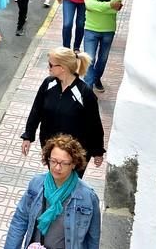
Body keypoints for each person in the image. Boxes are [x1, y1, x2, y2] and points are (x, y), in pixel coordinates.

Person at [6, 134, 101, 249]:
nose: (57, 168)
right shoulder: (36, 184)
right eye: (54, 161)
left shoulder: (88, 196)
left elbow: (93, 238)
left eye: (64, 163)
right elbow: (19, 220)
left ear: (74, 164)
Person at [21, 47, 105, 176]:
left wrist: (98, 151)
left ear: (63, 67)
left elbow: (94, 124)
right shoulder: (48, 84)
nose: (48, 67)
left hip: (74, 155)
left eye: (51, 64)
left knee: (69, 189)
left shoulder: (84, 93)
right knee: (55, 182)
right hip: (52, 152)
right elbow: (36, 110)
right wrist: (28, 136)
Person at [83, 0, 123, 92]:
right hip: (90, 28)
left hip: (108, 29)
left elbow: (114, 9)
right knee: (89, 58)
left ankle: (96, 78)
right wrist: (108, 5)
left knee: (103, 59)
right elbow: (88, 5)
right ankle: (88, 89)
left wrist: (98, 6)